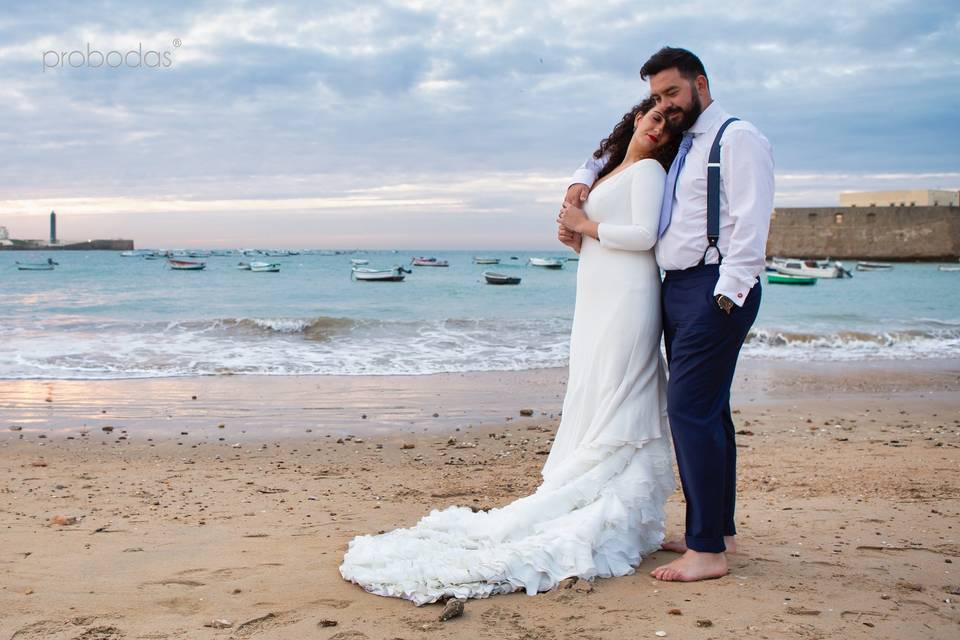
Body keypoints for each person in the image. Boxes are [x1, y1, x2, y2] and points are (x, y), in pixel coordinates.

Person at [339, 98, 680, 605]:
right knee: (594, 384)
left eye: (670, 125)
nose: (659, 129)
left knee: (619, 386)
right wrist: (575, 237)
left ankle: (613, 505)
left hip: (629, 295)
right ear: (636, 118)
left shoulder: (651, 171)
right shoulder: (613, 171)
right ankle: (590, 489)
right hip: (599, 291)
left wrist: (585, 226)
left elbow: (645, 236)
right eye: (654, 117)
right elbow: (604, 235)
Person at [562, 46, 774, 582]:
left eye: (673, 93)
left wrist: (726, 294)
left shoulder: (738, 137)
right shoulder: (685, 143)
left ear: (701, 83)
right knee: (711, 412)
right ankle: (715, 529)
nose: (667, 105)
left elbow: (751, 223)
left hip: (713, 285)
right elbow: (617, 153)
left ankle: (707, 552)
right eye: (657, 97)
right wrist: (581, 180)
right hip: (675, 287)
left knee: (689, 412)